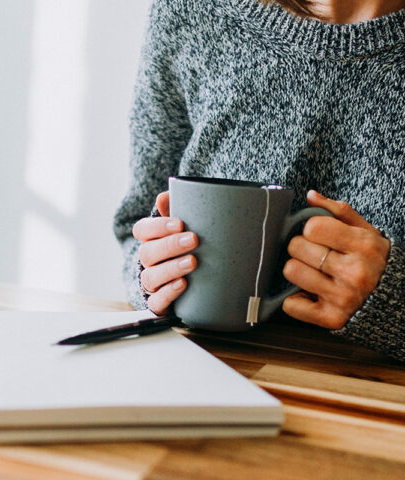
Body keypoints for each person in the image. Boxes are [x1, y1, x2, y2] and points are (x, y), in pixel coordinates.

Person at [113, 0, 405, 361]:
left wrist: (394, 304)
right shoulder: (191, 11)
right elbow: (135, 228)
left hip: (373, 402)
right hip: (203, 379)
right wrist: (154, 278)